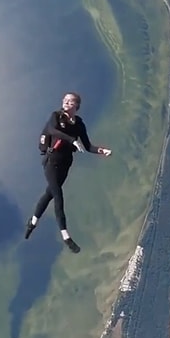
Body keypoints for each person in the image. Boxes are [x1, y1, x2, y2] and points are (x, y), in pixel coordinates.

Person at [25, 92, 113, 253]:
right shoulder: (56, 117)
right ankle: (66, 236)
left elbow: (87, 146)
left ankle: (33, 222)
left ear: (76, 106)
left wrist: (102, 151)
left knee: (49, 194)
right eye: (65, 100)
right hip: (51, 162)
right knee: (58, 195)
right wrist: (72, 140)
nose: (66, 102)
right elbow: (52, 131)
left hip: (65, 163)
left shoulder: (79, 124)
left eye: (70, 101)